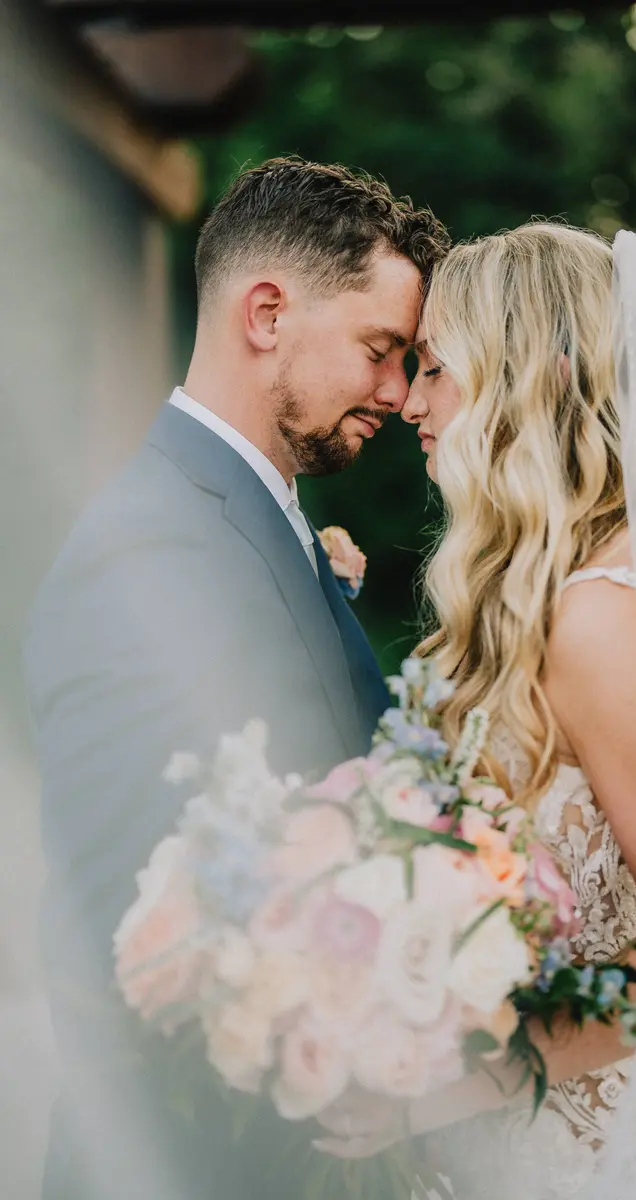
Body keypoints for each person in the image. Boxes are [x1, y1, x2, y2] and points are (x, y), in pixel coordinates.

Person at [317, 222, 636, 1199]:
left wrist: (440, 1093)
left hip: (592, 1153)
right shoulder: (555, 599)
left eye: (437, 370)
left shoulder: (600, 618)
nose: (411, 401)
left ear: (524, 379)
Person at [24, 156, 450, 1200]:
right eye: (380, 350)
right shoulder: (155, 551)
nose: (397, 395)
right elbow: (133, 930)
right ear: (266, 313)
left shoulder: (260, 526)